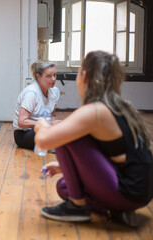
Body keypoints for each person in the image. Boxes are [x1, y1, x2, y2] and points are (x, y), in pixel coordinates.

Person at [35, 51, 153, 227]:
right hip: (141, 191)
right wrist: (63, 166)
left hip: (128, 192)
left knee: (66, 135)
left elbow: (45, 141)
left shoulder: (95, 111)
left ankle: (77, 208)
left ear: (85, 76)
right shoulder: (120, 105)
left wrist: (42, 125)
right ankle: (116, 209)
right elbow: (112, 153)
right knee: (64, 186)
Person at [13, 60, 60, 150]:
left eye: (54, 75)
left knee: (66, 128)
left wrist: (53, 123)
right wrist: (47, 124)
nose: (53, 79)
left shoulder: (55, 91)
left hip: (44, 128)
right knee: (52, 133)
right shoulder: (31, 93)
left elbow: (52, 115)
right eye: (49, 76)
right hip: (24, 134)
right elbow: (22, 122)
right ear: (38, 76)